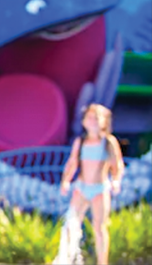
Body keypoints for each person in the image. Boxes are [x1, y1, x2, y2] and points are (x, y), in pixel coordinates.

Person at [59, 103, 125, 265]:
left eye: (96, 118)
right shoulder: (80, 142)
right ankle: (69, 259)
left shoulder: (108, 142)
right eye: (89, 117)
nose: (92, 121)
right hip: (82, 187)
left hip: (100, 188)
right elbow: (72, 163)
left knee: (99, 228)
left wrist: (116, 181)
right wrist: (65, 181)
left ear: (103, 121)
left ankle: (102, 262)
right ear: (83, 121)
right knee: (72, 223)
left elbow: (117, 165)